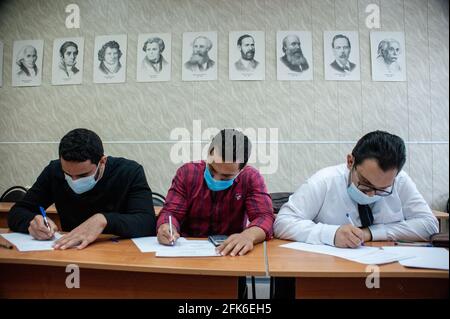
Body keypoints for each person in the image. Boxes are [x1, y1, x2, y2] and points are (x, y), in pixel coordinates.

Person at [274, 130, 438, 248]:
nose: (372, 194)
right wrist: (331, 234)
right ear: (350, 162)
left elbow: (429, 225)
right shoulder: (325, 181)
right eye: (365, 183)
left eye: (383, 189)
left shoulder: (400, 181)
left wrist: (372, 233)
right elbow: (283, 222)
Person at [8, 128, 156, 250]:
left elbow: (146, 222)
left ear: (102, 161)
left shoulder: (129, 172)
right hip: (71, 251)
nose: (74, 181)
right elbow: (17, 212)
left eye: (83, 175)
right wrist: (32, 222)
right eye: (68, 174)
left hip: (119, 251)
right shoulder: (54, 171)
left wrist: (104, 220)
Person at [157, 129, 274, 257]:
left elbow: (265, 217)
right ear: (209, 153)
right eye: (212, 169)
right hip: (186, 253)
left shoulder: (250, 178)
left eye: (226, 176)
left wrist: (248, 236)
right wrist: (167, 227)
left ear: (243, 168)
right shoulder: (187, 173)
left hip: (230, 253)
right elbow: (170, 212)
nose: (216, 179)